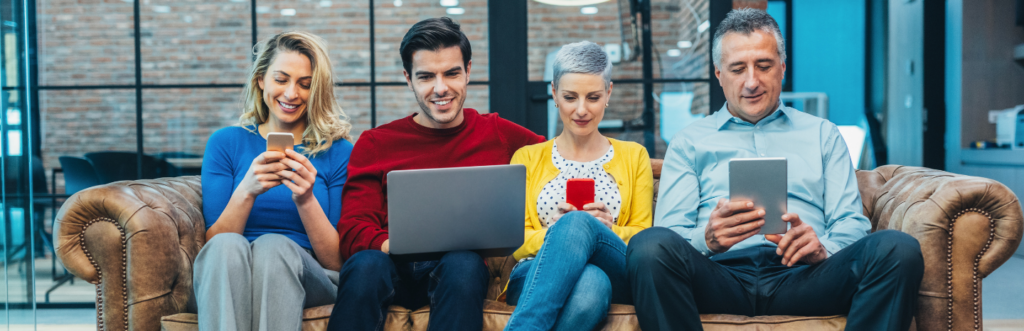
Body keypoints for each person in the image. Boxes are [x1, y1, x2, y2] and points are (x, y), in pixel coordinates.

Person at [626, 8, 924, 331]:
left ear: (782, 68)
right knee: (648, 247)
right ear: (718, 74)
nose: (751, 82)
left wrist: (823, 249)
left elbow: (850, 224)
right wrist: (707, 238)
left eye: (764, 66)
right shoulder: (688, 142)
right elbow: (670, 234)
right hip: (719, 277)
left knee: (899, 249)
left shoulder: (823, 134)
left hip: (806, 276)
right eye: (737, 69)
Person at [326, 17, 546, 331]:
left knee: (465, 262)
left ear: (468, 71)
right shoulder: (376, 143)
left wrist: (636, 164)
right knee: (365, 264)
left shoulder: (497, 133)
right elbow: (353, 228)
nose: (440, 88)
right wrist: (395, 246)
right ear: (408, 78)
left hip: (457, 274)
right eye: (426, 76)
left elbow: (560, 157)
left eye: (452, 73)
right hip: (388, 266)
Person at [194, 31, 354, 331]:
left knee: (273, 247)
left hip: (310, 272)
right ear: (261, 80)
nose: (291, 94)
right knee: (226, 245)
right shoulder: (226, 143)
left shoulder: (338, 152)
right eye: (281, 79)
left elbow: (336, 262)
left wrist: (306, 199)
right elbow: (214, 247)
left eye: (305, 85)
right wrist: (247, 190)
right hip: (235, 268)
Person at [501, 41, 653, 331]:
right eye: (570, 97)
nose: (581, 110)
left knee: (578, 224)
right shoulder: (527, 158)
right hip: (536, 270)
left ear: (608, 93)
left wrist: (602, 229)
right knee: (590, 286)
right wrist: (555, 234)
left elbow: (644, 239)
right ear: (554, 93)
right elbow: (516, 242)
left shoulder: (634, 156)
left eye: (593, 97)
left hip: (616, 268)